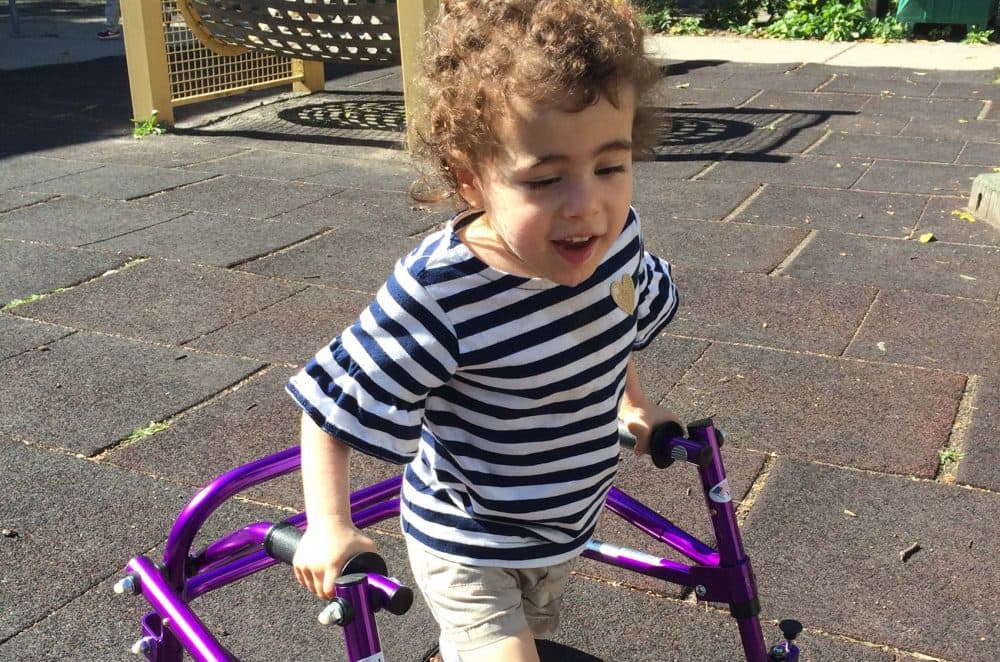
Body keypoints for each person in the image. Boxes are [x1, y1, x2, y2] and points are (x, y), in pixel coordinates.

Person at [286, 1, 679, 660]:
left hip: (561, 527)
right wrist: (329, 526)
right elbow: (331, 404)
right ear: (470, 175)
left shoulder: (616, 241)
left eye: (610, 166)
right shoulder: (440, 293)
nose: (587, 204)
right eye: (546, 179)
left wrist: (633, 402)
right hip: (469, 544)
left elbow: (616, 324)